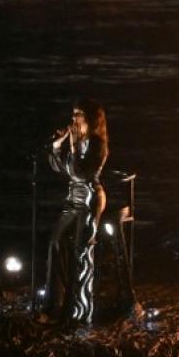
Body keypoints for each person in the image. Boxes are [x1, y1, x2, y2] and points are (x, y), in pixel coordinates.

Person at [40, 99, 108, 324]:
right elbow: (58, 167)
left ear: (90, 118)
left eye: (78, 114)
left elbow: (80, 173)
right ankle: (53, 305)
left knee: (81, 252)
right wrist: (57, 145)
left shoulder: (97, 144)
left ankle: (79, 311)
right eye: (73, 114)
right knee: (55, 243)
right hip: (72, 199)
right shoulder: (76, 140)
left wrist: (74, 146)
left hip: (90, 198)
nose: (73, 119)